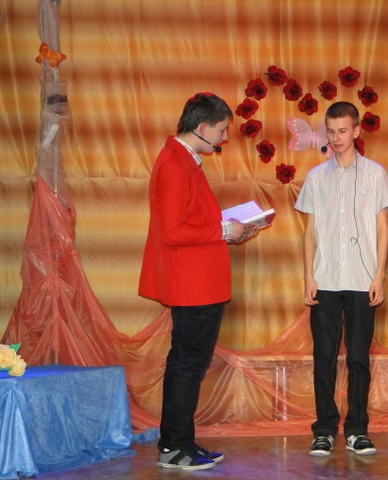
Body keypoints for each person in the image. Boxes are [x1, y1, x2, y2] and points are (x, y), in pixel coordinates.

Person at [139, 92, 258, 470]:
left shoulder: (183, 160)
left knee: (189, 364)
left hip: (199, 284)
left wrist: (229, 230)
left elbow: (190, 221)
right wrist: (224, 230)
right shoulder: (174, 164)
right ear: (203, 127)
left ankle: (181, 442)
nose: (225, 137)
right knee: (187, 365)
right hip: (192, 286)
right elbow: (174, 232)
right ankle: (174, 447)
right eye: (222, 130)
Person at [294, 101, 388, 457]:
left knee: (358, 359)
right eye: (331, 131)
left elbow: (382, 229)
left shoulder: (375, 174)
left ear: (356, 131)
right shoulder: (316, 177)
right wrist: (309, 276)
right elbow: (310, 231)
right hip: (325, 279)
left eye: (342, 131)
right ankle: (324, 429)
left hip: (361, 279)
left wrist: (379, 276)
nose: (336, 138)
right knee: (323, 357)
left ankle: (357, 429)